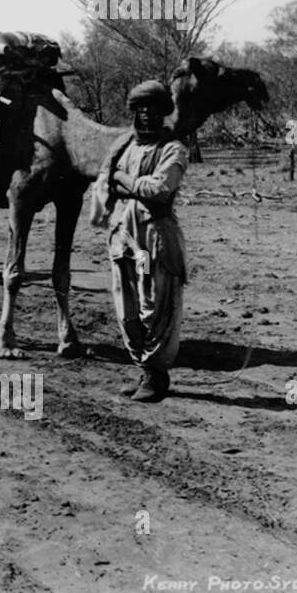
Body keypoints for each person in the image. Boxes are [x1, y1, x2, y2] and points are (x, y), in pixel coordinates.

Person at [92, 80, 188, 402]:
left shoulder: (174, 149)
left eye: (153, 109)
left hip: (154, 239)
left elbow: (160, 189)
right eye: (140, 109)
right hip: (126, 239)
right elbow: (106, 186)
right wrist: (124, 183)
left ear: (163, 113)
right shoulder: (125, 147)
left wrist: (123, 180)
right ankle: (144, 369)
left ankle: (157, 374)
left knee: (154, 302)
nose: (146, 115)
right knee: (128, 303)